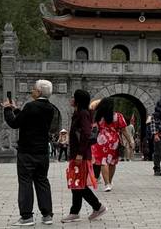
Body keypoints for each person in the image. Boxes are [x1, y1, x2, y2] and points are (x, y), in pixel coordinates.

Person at [3, 79, 54, 226]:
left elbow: (15, 123)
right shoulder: (50, 108)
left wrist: (7, 109)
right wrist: (17, 109)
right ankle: (47, 215)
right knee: (42, 181)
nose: (32, 91)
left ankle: (26, 216)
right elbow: (30, 120)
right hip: (43, 151)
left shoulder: (31, 106)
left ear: (38, 92)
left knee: (25, 182)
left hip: (27, 151)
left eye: (33, 89)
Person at [61, 90, 107, 223]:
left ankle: (96, 207)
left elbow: (86, 134)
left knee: (78, 182)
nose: (71, 99)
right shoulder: (79, 113)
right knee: (77, 182)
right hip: (77, 153)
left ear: (78, 100)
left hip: (80, 154)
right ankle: (76, 212)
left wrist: (80, 153)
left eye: (73, 97)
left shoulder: (83, 113)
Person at [91, 97, 134, 192]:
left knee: (103, 162)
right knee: (112, 162)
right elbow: (124, 130)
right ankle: (109, 181)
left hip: (101, 140)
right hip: (113, 140)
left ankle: (106, 184)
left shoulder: (98, 116)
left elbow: (93, 127)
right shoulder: (118, 116)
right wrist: (130, 141)